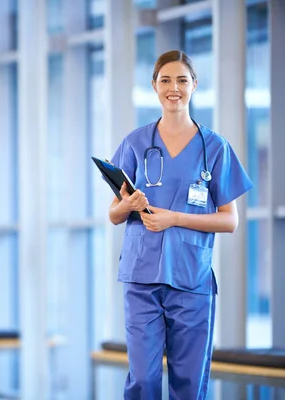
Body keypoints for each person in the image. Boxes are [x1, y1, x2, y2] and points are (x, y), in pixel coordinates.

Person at [108, 49, 253, 399]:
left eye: (182, 80)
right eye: (166, 80)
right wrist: (127, 204)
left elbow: (230, 220)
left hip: (191, 280)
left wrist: (174, 218)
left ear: (194, 86)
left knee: (189, 385)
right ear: (155, 86)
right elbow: (114, 214)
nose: (174, 88)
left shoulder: (214, 147)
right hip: (141, 278)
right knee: (142, 380)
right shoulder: (135, 142)